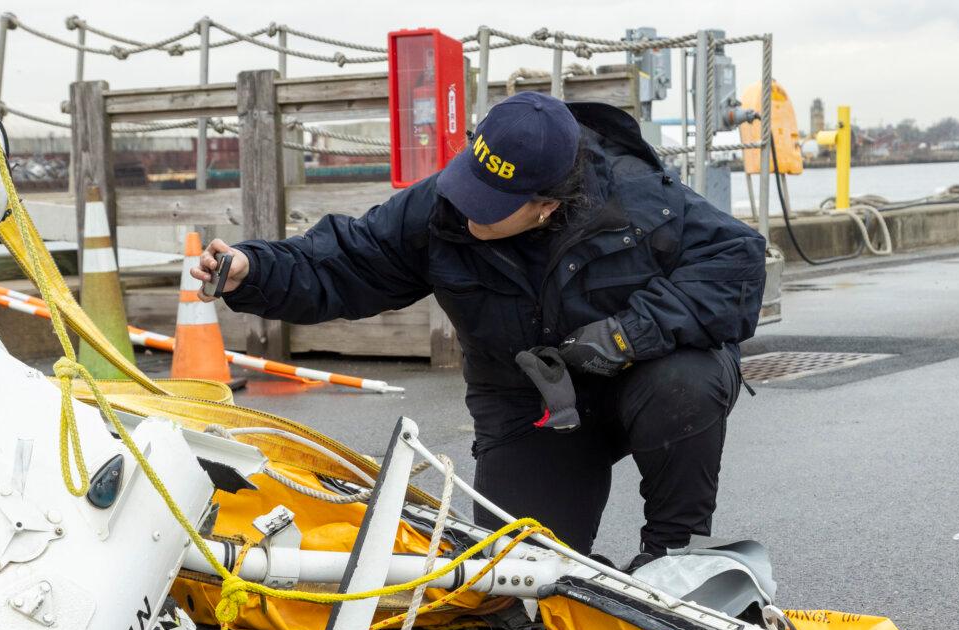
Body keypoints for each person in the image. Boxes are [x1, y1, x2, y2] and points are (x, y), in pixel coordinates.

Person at [193, 92, 766, 566]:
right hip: (530, 407)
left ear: (544, 206)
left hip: (640, 382)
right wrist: (253, 270)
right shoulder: (441, 209)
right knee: (515, 582)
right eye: (469, 183)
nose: (468, 211)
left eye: (489, 204)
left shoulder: (641, 200)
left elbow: (737, 262)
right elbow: (347, 259)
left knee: (685, 381)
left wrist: (627, 336)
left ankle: (675, 554)